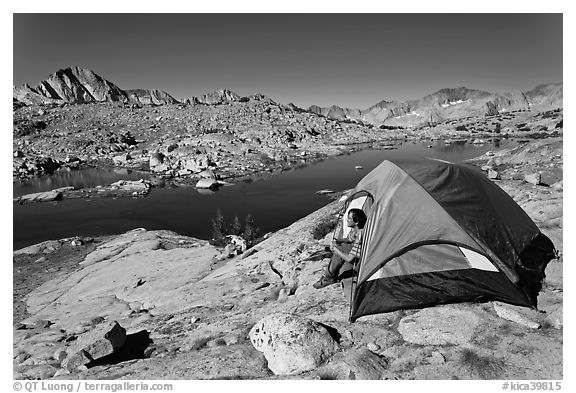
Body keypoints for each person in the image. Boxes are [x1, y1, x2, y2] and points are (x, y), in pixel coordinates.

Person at [313, 208, 367, 289]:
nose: (347, 220)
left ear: (356, 221)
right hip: (355, 257)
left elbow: (350, 259)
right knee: (342, 245)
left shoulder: (360, 237)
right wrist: (338, 241)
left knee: (341, 249)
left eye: (349, 218)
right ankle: (330, 274)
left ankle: (329, 277)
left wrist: (336, 249)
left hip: (359, 264)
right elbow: (348, 240)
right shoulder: (357, 231)